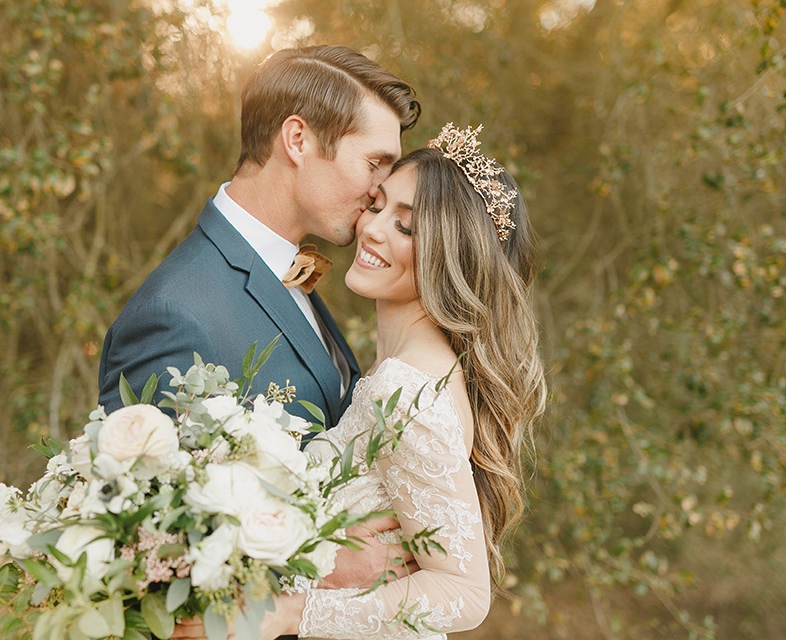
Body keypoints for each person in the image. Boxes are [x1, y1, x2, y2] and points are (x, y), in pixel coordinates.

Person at [172, 123, 547, 640]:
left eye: (407, 227)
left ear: (450, 257)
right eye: (378, 206)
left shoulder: (408, 390)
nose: (371, 229)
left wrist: (290, 612)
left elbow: (462, 592)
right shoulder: (407, 370)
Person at [97, 45, 420, 432]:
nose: (380, 190)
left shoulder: (291, 271)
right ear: (298, 140)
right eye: (374, 164)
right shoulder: (173, 317)